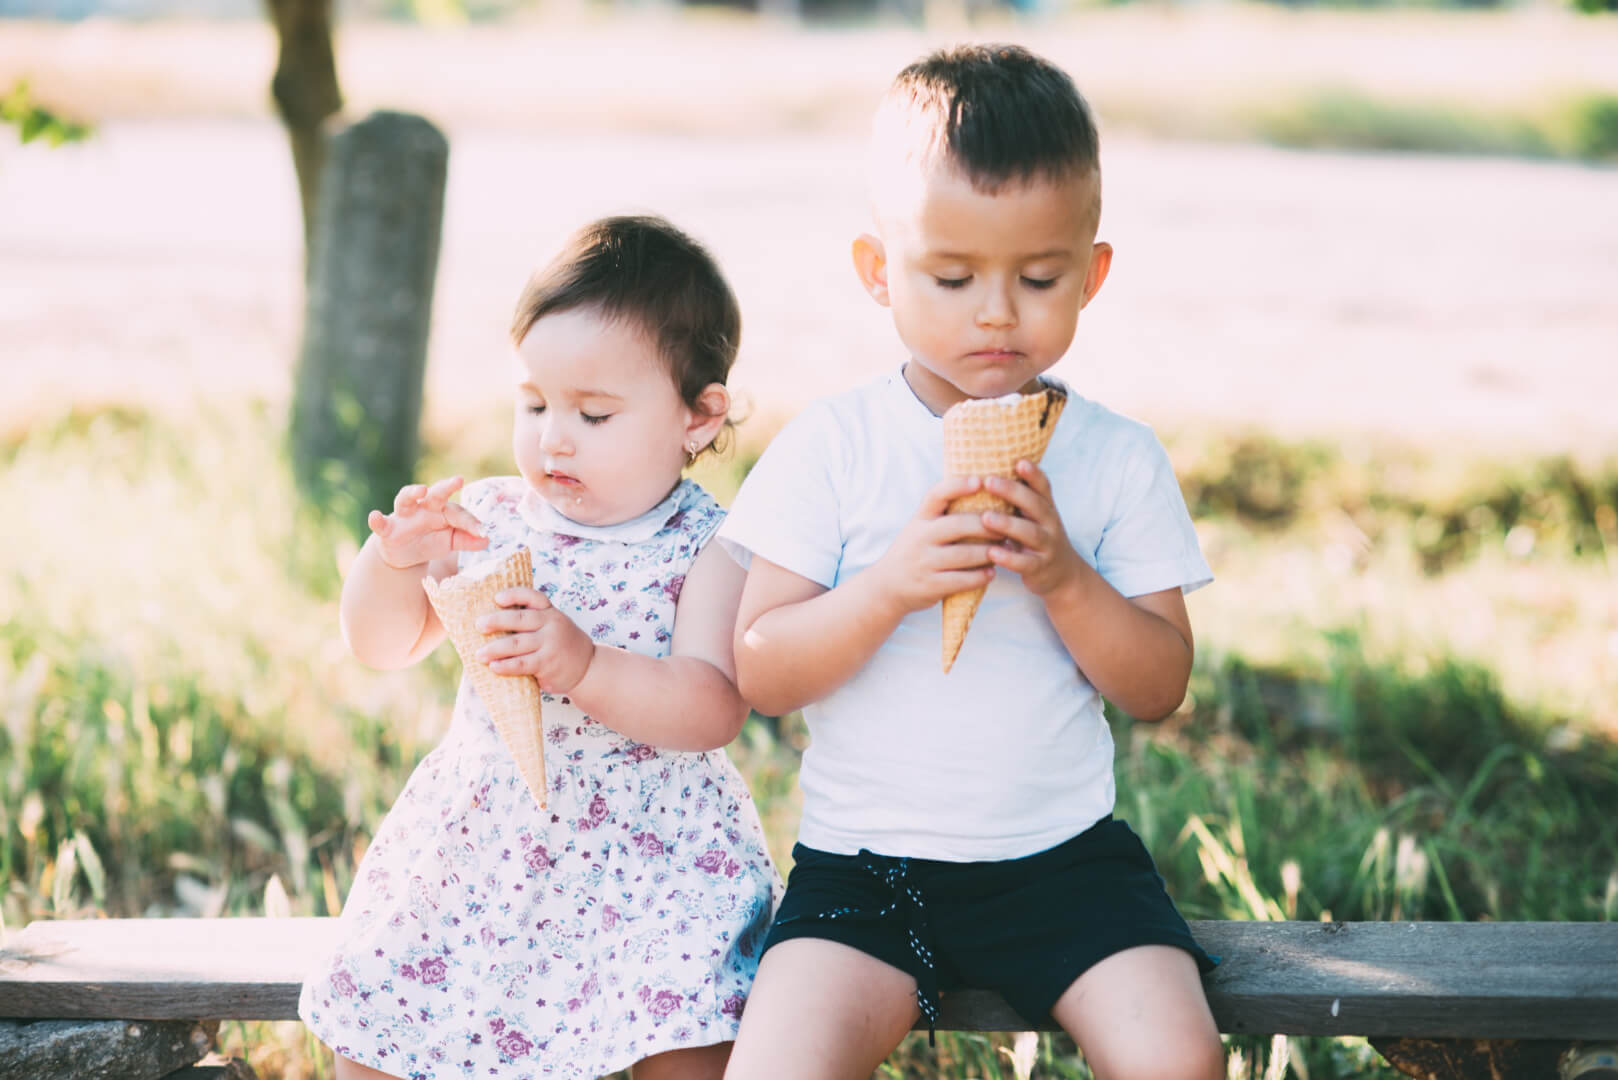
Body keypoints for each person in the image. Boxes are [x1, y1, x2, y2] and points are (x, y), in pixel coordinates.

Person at [715, 45, 1224, 1080]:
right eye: (951, 277)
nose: (996, 312)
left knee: (1179, 1061)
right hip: (865, 872)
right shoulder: (835, 445)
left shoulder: (1114, 458)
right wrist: (893, 584)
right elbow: (761, 669)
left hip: (1066, 867)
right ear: (877, 272)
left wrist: (1066, 580)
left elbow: (1159, 686)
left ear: (1091, 272)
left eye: (1037, 278)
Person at [299, 215, 782, 1080]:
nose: (554, 436)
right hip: (488, 847)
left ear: (699, 418)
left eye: (594, 414)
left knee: (689, 1030)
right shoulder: (487, 520)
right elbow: (383, 644)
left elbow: (713, 705)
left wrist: (586, 666)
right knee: (388, 1023)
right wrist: (394, 560)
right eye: (534, 403)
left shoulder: (709, 545)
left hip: (651, 857)